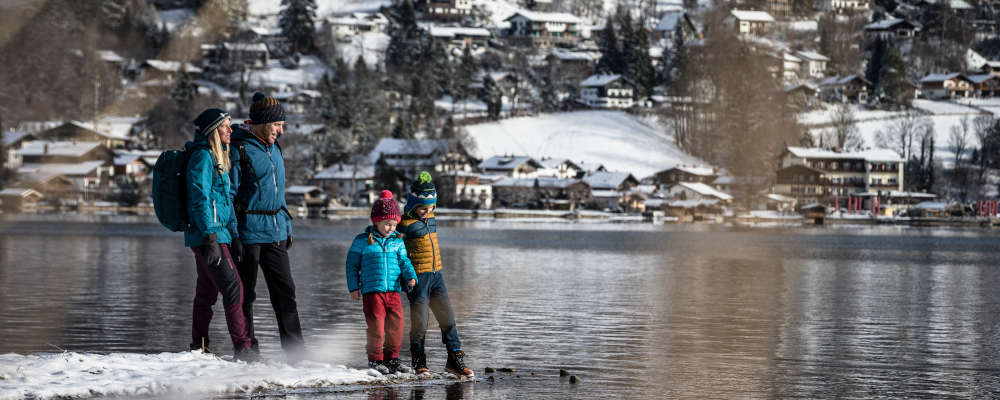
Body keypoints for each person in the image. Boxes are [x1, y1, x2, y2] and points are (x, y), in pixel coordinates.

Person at [228, 92, 303, 360]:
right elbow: (230, 195)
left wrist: (287, 228)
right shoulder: (240, 149)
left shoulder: (275, 148)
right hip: (248, 233)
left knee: (286, 293)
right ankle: (248, 351)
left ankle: (295, 354)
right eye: (277, 125)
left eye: (282, 125)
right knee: (246, 295)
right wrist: (234, 235)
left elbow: (278, 194)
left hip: (276, 232)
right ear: (261, 123)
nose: (281, 131)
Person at [185, 108, 255, 361]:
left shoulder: (220, 156)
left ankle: (198, 347)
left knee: (206, 292)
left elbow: (226, 200)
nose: (230, 130)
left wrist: (234, 235)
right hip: (208, 236)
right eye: (225, 126)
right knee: (233, 288)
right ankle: (243, 349)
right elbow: (199, 199)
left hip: (220, 234)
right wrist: (211, 238)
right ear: (213, 130)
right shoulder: (202, 157)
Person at [397, 171, 474, 378]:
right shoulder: (404, 225)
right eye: (423, 207)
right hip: (418, 279)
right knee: (420, 322)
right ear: (413, 204)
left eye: (431, 207)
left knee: (447, 317)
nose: (427, 211)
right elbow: (393, 249)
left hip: (436, 276)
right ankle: (419, 361)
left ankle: (454, 359)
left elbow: (430, 202)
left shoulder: (431, 217)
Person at [346, 190, 418, 374]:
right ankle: (375, 361)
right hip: (372, 292)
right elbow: (351, 265)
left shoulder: (398, 242)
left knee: (396, 326)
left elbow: (405, 262)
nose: (391, 228)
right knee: (376, 327)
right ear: (376, 221)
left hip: (393, 291)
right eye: (387, 224)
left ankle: (392, 359)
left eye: (394, 225)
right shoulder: (363, 241)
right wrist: (354, 287)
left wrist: (411, 277)